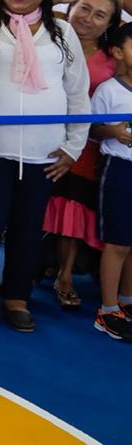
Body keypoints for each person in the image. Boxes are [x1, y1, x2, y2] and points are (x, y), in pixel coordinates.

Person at [0, 0, 90, 333]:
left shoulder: (62, 32)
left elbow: (77, 92)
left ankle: (17, 297)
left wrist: (73, 147)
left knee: (28, 228)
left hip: (43, 152)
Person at [42, 0, 121, 311]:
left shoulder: (115, 60)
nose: (88, 18)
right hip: (38, 141)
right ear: (70, 6)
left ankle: (65, 276)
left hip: (86, 148)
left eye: (99, 15)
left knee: (72, 209)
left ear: (110, 25)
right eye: (84, 8)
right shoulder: (45, 39)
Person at [89, 22, 132, 340]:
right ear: (117, 52)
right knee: (117, 243)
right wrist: (113, 131)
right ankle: (107, 309)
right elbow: (92, 129)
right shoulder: (109, 90)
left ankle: (127, 300)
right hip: (119, 170)